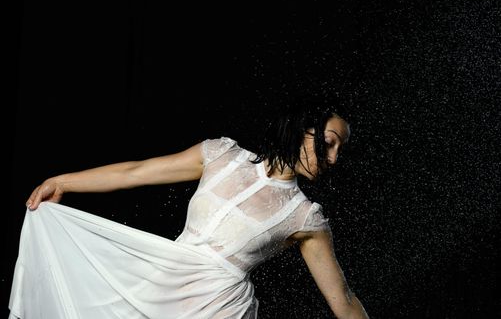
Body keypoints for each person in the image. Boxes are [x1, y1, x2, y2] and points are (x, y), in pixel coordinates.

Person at [9, 96, 370, 319]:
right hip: (162, 285)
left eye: (340, 150)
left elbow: (344, 299)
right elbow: (136, 171)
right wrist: (62, 182)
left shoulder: (306, 216)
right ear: (300, 129)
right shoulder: (221, 155)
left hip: (220, 308)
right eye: (328, 143)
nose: (334, 158)